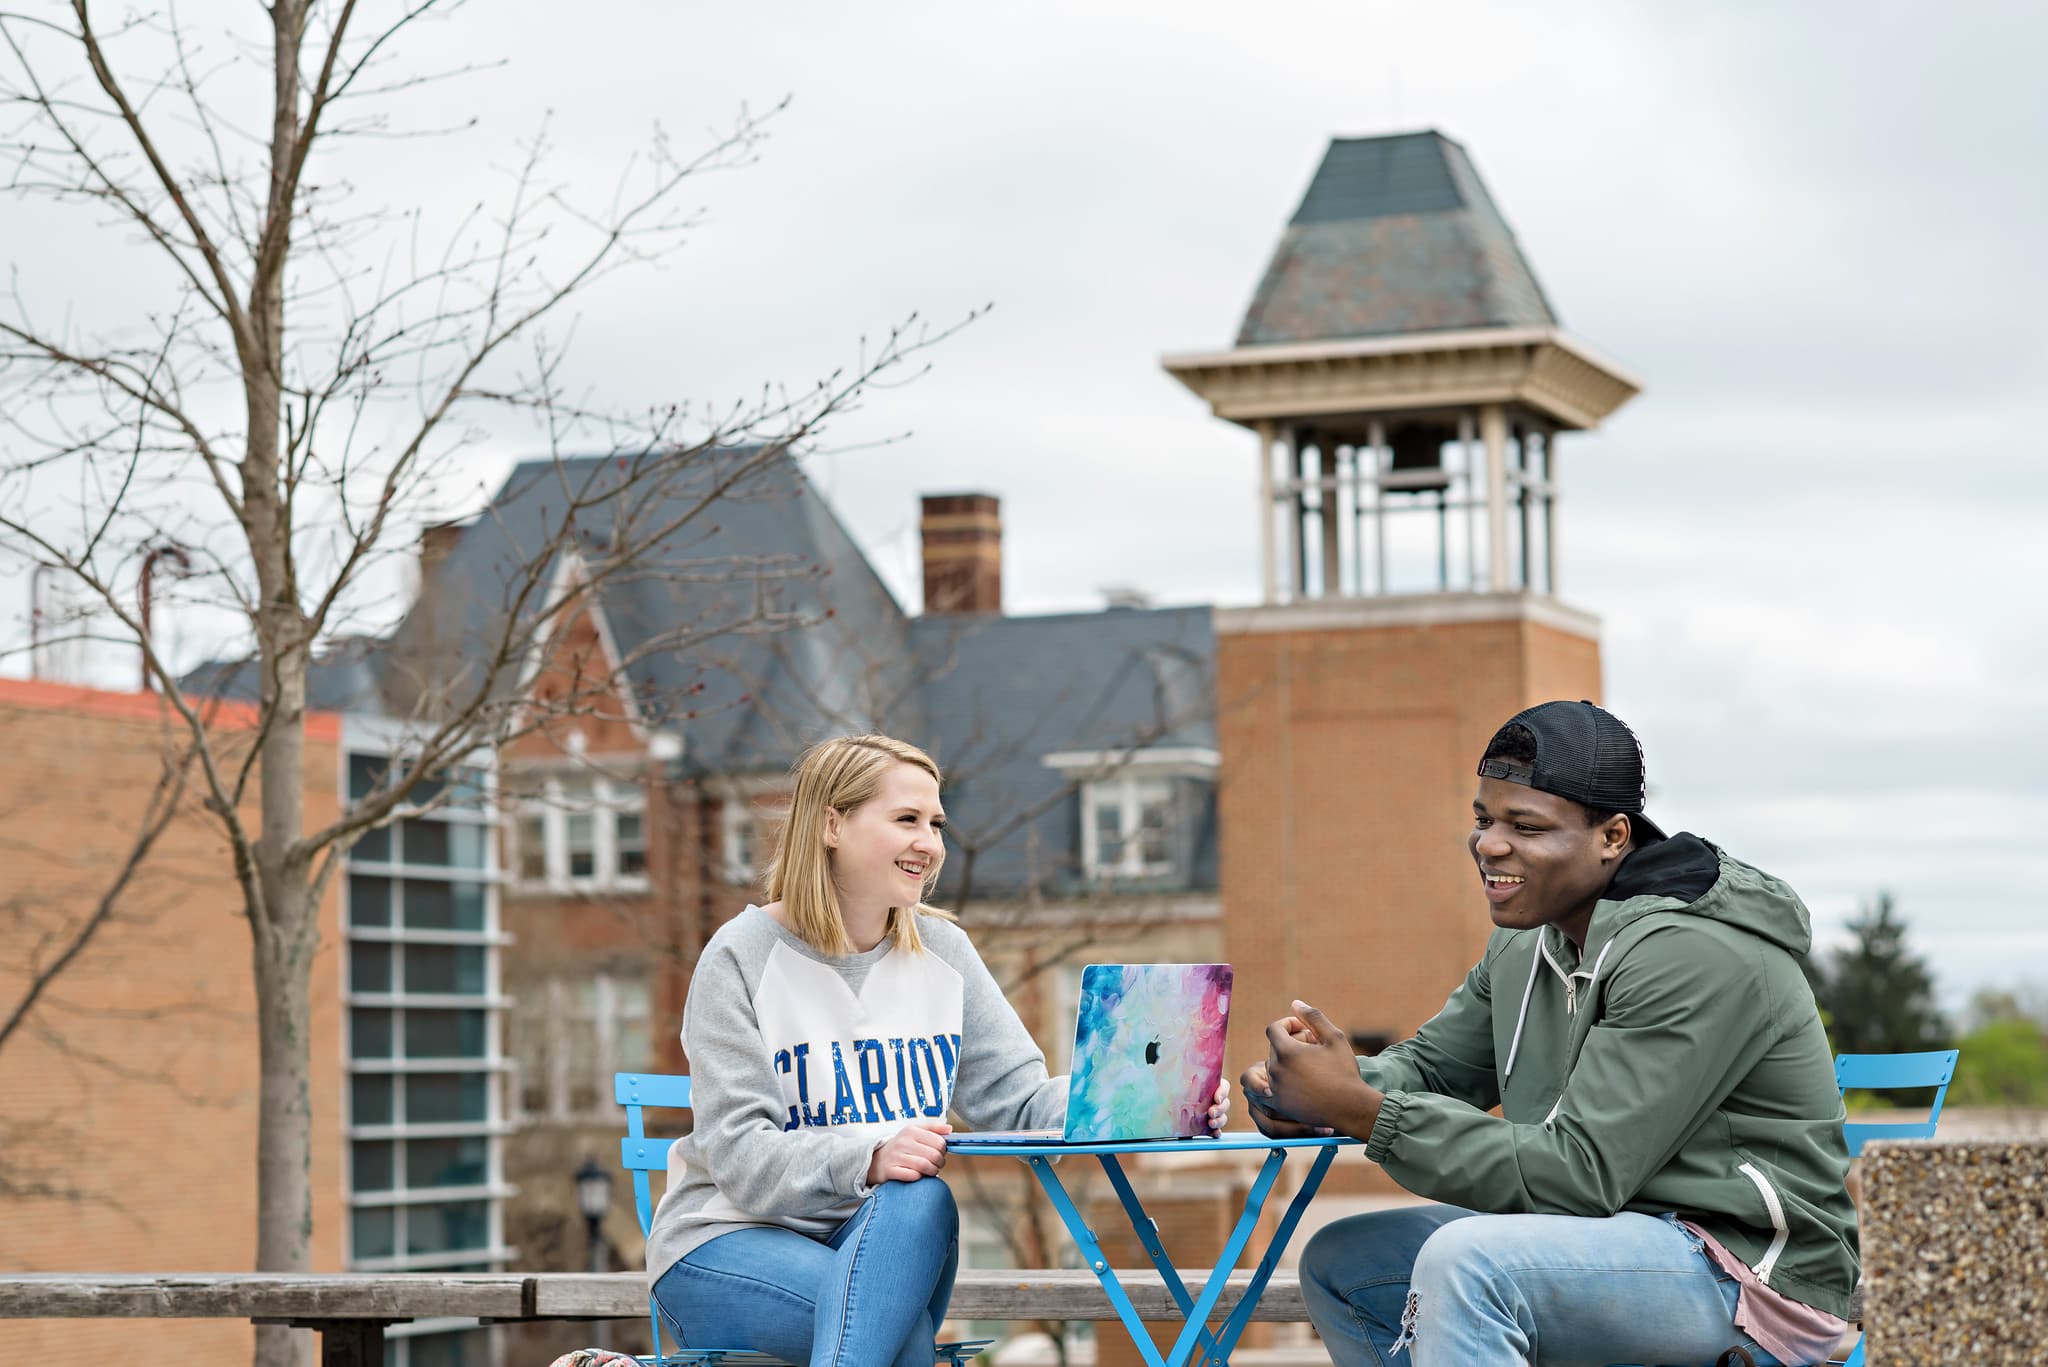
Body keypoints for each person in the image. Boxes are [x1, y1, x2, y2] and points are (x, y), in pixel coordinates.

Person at [1243, 701, 1857, 1367]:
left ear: (1613, 836)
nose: (1489, 844)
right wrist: (1311, 1086)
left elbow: (1581, 1171)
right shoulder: (1528, 943)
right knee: (1345, 1261)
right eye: (1484, 819)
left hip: (1747, 1274)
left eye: (1526, 826)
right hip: (1609, 1239)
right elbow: (1434, 1067)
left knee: (1468, 1262)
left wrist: (1360, 1109)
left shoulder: (1693, 951)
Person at [647, 733, 1229, 1367]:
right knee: (904, 1344)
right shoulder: (739, 957)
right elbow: (738, 1151)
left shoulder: (943, 953)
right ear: (832, 824)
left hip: (885, 1242)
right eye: (906, 820)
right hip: (726, 1241)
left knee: (923, 1196)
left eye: (935, 823)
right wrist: (868, 1157)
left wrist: (1148, 1095)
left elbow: (1020, 1101)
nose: (930, 843)